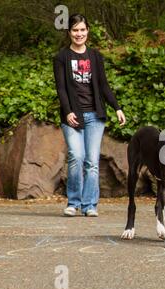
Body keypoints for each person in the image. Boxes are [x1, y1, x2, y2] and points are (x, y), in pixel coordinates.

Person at [53, 13, 126, 217]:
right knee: (77, 156)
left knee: (92, 161)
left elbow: (103, 85)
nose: (79, 33)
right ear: (69, 32)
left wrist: (116, 107)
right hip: (72, 116)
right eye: (75, 30)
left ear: (88, 31)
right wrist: (67, 112)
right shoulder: (61, 57)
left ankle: (90, 205)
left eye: (82, 30)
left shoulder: (95, 57)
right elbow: (61, 89)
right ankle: (73, 202)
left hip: (95, 115)